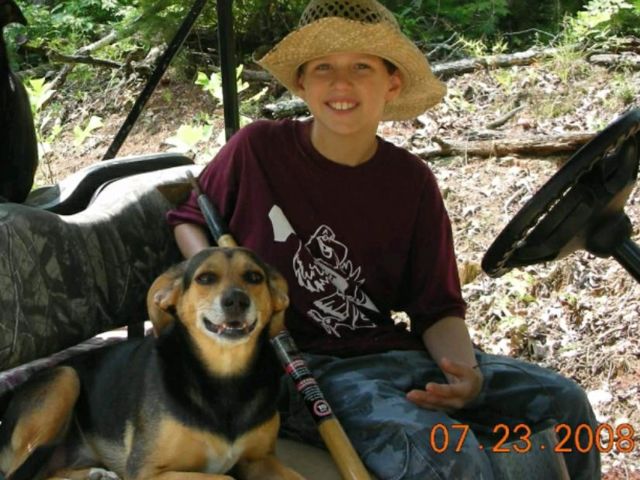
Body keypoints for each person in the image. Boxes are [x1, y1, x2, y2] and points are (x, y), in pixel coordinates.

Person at [166, 0, 600, 478]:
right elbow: (188, 217)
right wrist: (223, 278)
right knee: (448, 457)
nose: (341, 84)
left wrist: (464, 375)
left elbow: (437, 308)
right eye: (323, 67)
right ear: (302, 83)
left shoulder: (412, 182)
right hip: (303, 370)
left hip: (400, 358)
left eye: (362, 67)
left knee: (566, 404)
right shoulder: (258, 149)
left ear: (392, 84)